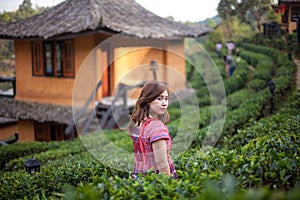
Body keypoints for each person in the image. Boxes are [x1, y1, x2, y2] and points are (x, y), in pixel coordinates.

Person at [128, 81, 178, 179]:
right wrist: (168, 185)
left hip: (139, 177)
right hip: (155, 179)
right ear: (148, 100)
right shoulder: (156, 128)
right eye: (159, 99)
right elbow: (161, 162)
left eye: (166, 99)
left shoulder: (137, 123)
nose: (164, 103)